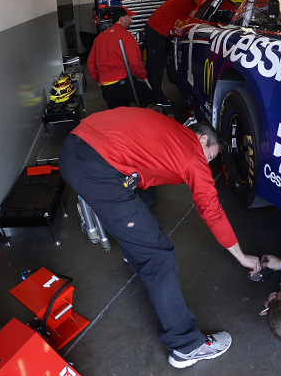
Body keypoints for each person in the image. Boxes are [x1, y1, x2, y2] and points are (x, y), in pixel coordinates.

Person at [59, 107, 261, 369]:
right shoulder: (191, 151)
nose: (207, 165)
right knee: (158, 255)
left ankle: (133, 245)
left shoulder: (169, 131)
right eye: (210, 157)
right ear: (201, 139)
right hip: (98, 169)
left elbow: (146, 167)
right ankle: (186, 346)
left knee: (145, 198)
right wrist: (241, 256)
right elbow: (211, 211)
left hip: (74, 147)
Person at [87, 6, 154, 109]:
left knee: (120, 115)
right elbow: (135, 62)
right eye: (129, 17)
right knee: (149, 96)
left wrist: (100, 80)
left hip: (107, 90)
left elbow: (91, 64)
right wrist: (143, 77)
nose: (131, 19)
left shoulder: (99, 38)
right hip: (124, 85)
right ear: (122, 19)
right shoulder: (125, 35)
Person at [144, 0, 198, 106]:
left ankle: (149, 95)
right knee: (156, 66)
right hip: (156, 30)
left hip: (154, 28)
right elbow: (196, 18)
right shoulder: (187, 3)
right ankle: (158, 98)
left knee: (152, 66)